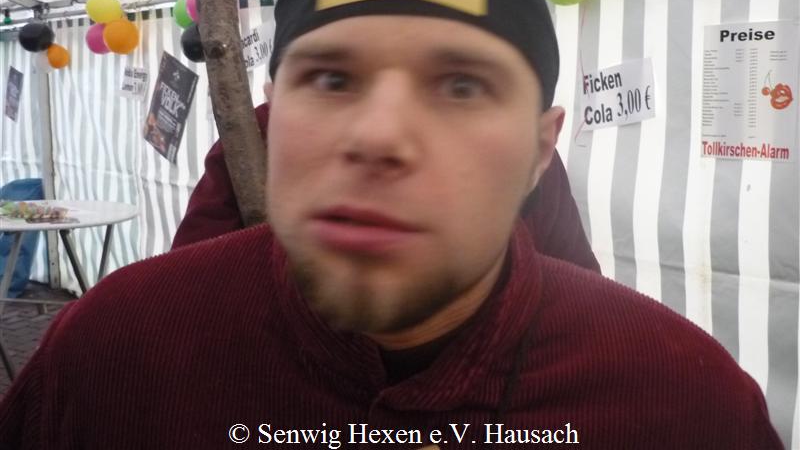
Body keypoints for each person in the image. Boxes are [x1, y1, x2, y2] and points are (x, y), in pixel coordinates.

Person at [0, 0, 781, 449]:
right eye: (331, 78)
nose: (380, 136)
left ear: (541, 150)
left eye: (462, 85)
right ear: (273, 114)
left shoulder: (685, 407)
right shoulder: (115, 361)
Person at [172, 102, 601, 272]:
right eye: (336, 79)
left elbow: (580, 294)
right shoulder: (262, 136)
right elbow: (188, 288)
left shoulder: (513, 145)